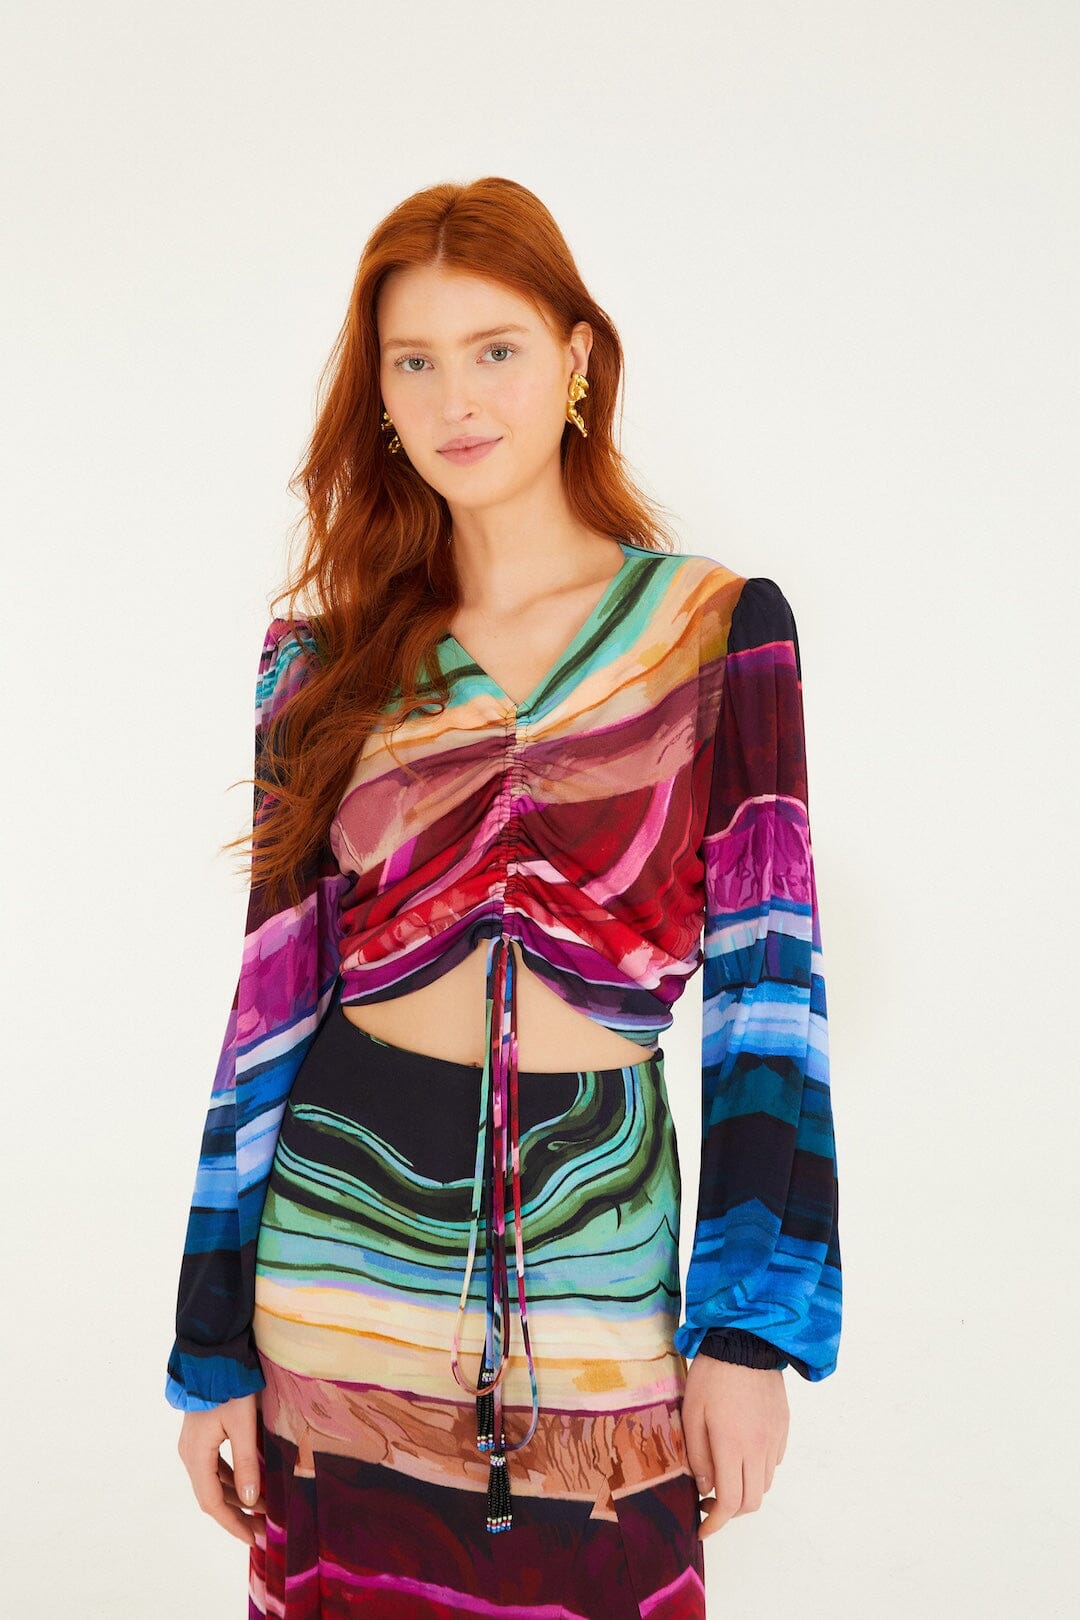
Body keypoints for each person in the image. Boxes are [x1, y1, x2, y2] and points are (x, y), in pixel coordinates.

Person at [167, 175, 841, 1620]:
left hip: (600, 1264)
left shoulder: (717, 631)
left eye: (496, 349)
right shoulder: (323, 661)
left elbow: (770, 999)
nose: (456, 398)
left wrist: (749, 1335)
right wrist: (209, 1343)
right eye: (413, 361)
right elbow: (267, 1011)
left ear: (577, 360)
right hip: (333, 1260)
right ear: (379, 397)